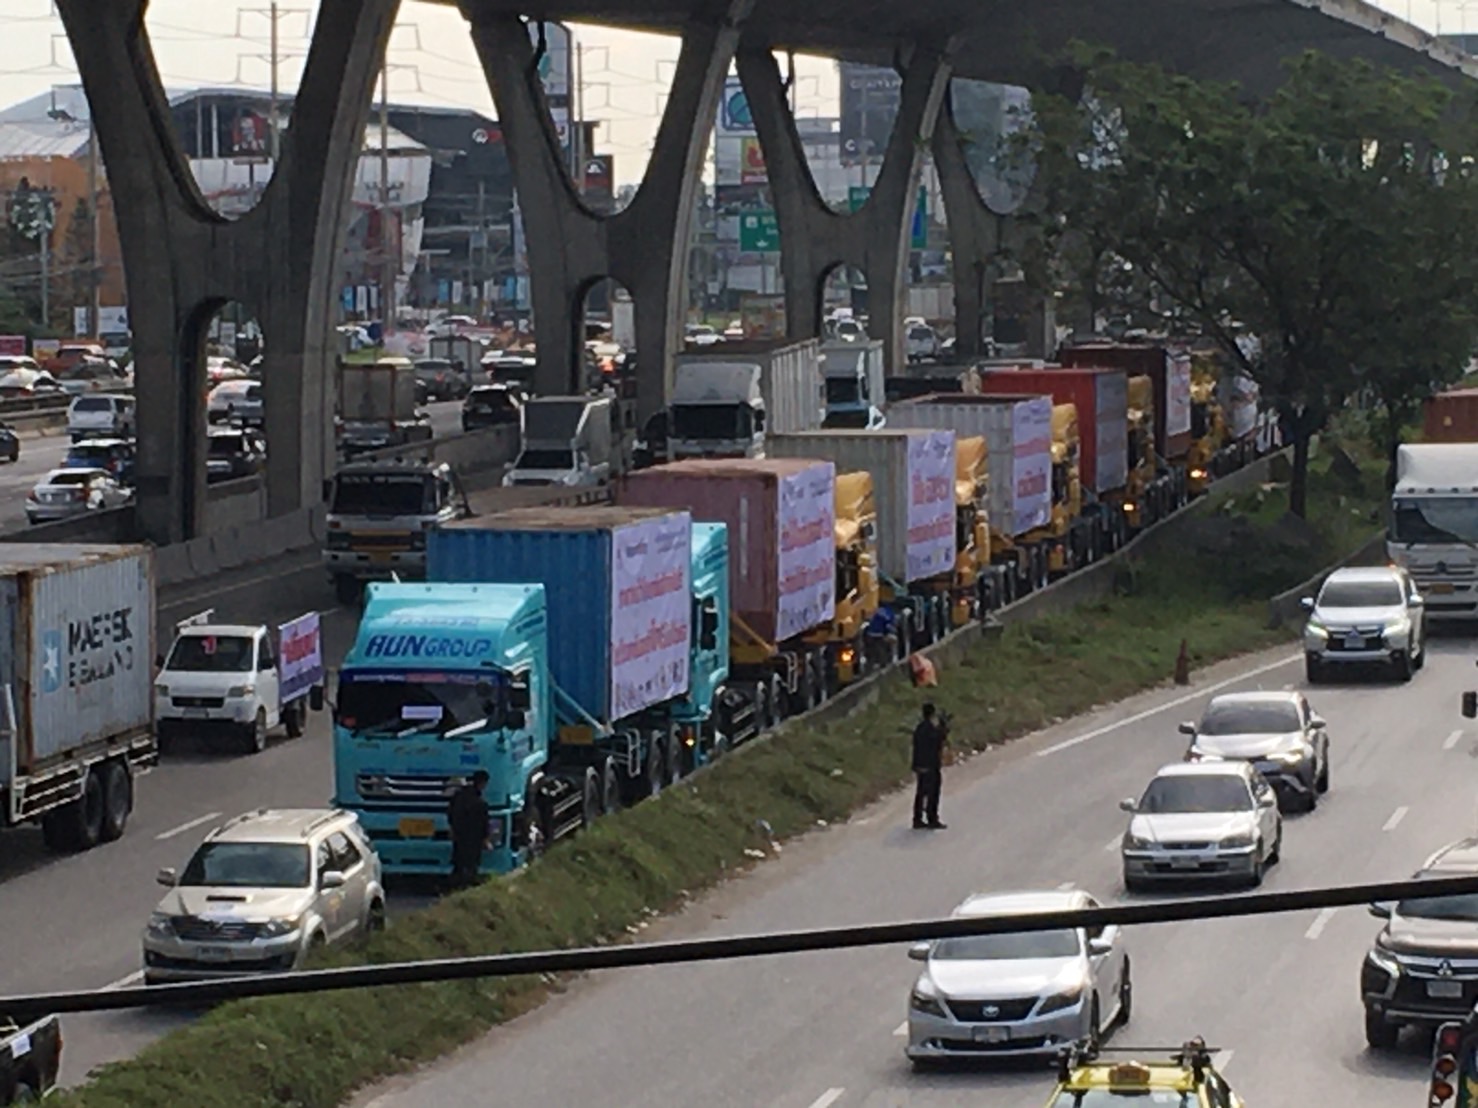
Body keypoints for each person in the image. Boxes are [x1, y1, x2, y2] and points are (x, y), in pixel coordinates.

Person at [447, 769, 491, 889]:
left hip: (459, 834)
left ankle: (456, 885)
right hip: (473, 837)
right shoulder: (480, 803)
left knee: (459, 862)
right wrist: (486, 838)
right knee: (471, 863)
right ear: (483, 783)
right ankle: (467, 884)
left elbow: (450, 813)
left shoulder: (458, 796)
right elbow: (484, 823)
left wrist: (452, 828)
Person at [911, 703, 948, 830]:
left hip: (919, 764)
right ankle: (932, 819)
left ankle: (917, 819)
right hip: (931, 765)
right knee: (933, 793)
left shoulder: (919, 729)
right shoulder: (932, 730)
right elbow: (939, 741)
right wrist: (943, 727)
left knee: (921, 792)